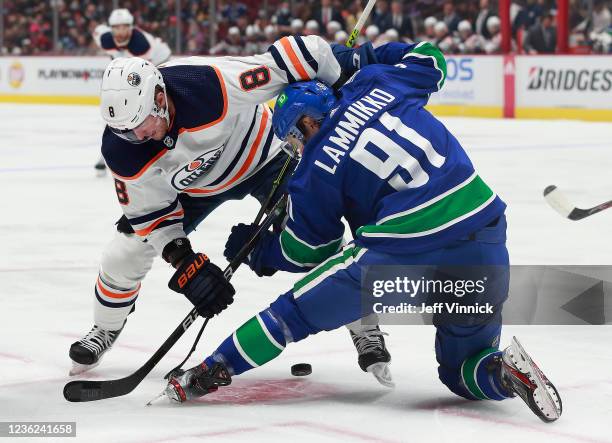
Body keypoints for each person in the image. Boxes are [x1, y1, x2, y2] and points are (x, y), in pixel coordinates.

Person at [160, 41, 562, 423]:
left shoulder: (313, 171)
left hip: (406, 249)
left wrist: (258, 250)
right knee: (464, 372)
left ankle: (213, 368)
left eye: (294, 136)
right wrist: (361, 57)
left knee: (292, 314)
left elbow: (306, 251)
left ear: (304, 120)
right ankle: (502, 371)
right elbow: (432, 59)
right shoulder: (378, 82)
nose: (296, 147)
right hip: (484, 227)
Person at [68, 35, 392, 384]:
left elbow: (295, 56)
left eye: (141, 122)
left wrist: (341, 75)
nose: (139, 135)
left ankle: (363, 324)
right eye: (127, 131)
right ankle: (105, 328)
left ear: (160, 98)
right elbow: (152, 215)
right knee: (125, 251)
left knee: (316, 240)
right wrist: (186, 264)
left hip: (267, 160)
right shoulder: (122, 147)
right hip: (194, 188)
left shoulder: (208, 84)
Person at [92, 8, 171, 177]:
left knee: (150, 112)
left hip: (158, 63)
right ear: (111, 28)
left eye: (124, 27)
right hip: (130, 68)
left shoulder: (141, 46)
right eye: (116, 28)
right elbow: (97, 32)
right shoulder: (105, 39)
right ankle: (106, 155)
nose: (120, 32)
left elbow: (141, 74)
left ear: (131, 27)